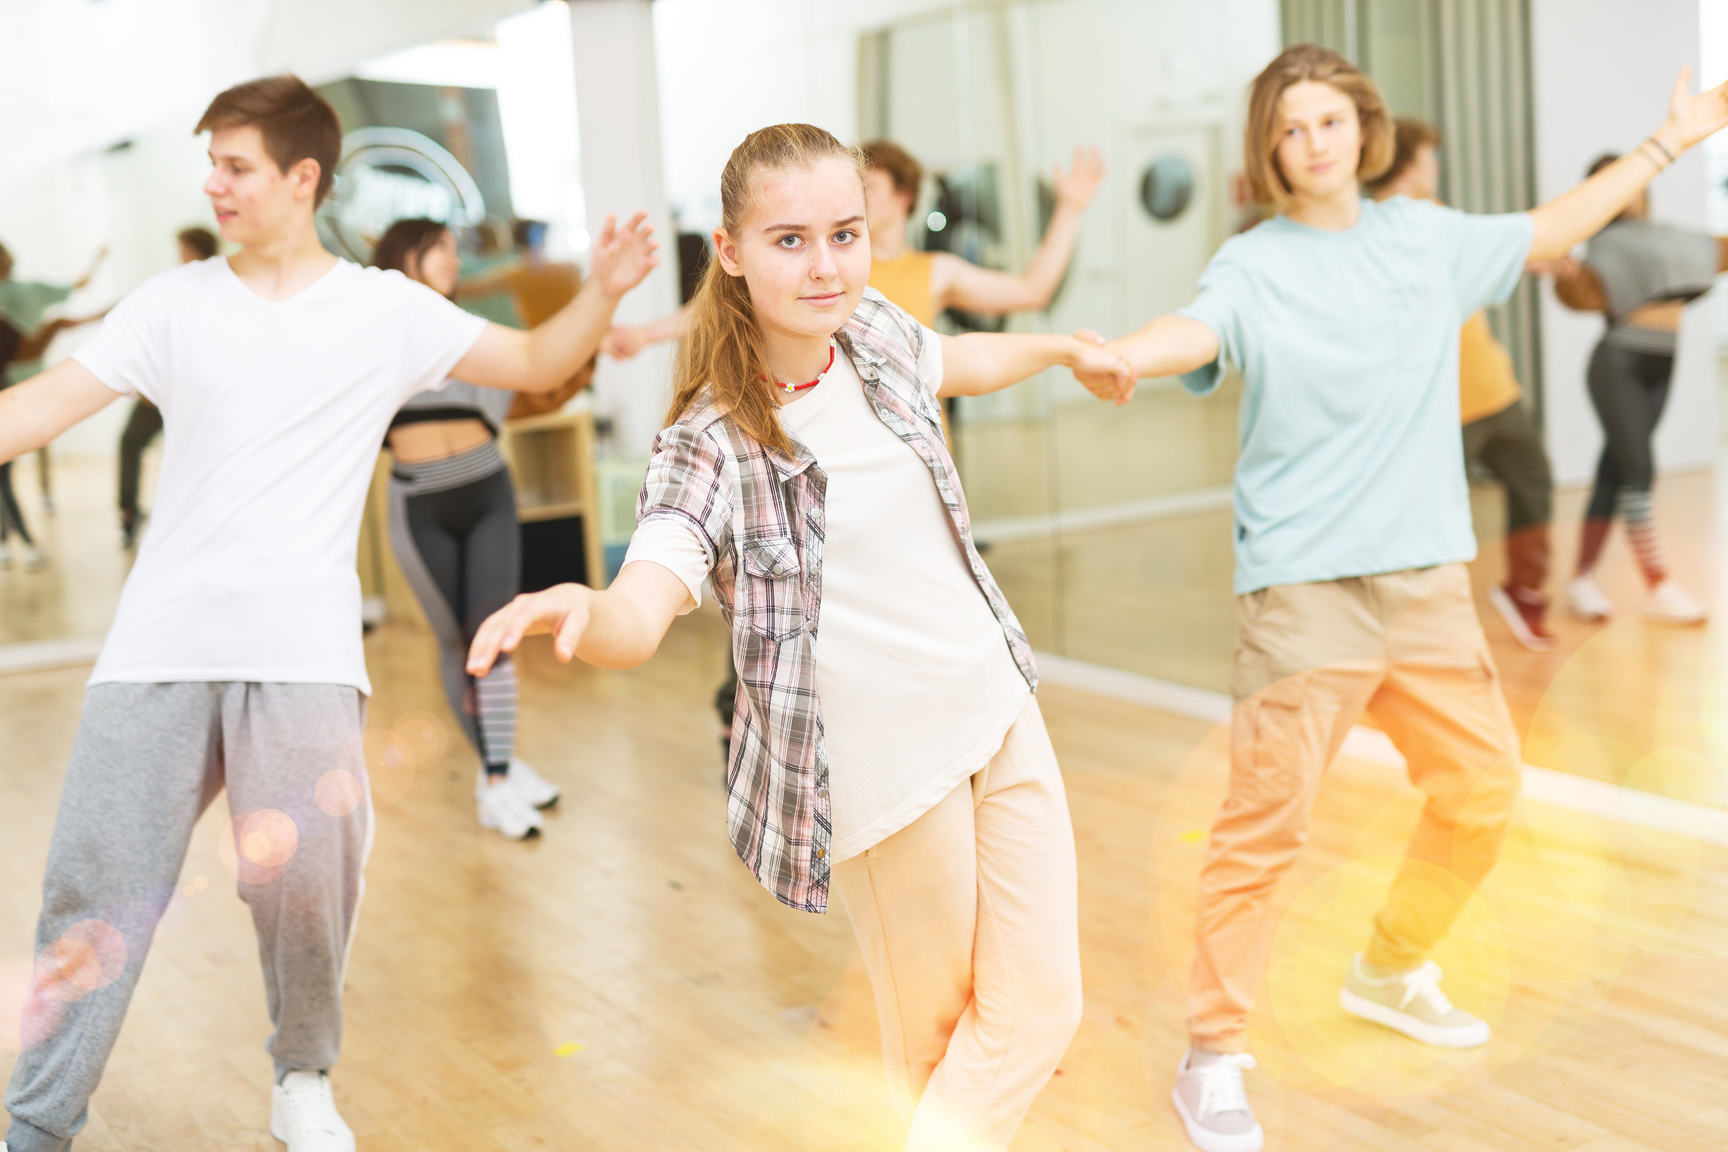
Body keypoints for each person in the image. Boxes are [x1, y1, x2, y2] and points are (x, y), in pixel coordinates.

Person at [1079, 45, 1728, 1152]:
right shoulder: (1255, 263)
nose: (1314, 142)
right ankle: (1214, 1056)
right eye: (1291, 129)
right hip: (1302, 592)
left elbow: (1554, 227)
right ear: (1271, 153)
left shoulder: (1427, 240)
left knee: (1481, 791)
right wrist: (1126, 357)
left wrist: (1674, 141)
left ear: (1364, 131)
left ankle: (1387, 966)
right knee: (1262, 830)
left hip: (1424, 585)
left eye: (1331, 120)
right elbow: (1199, 330)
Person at [0, 75, 656, 1152]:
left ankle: (301, 1075)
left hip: (301, 649)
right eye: (210, 162)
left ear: (303, 179)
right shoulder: (171, 304)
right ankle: (37, 1123)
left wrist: (605, 291)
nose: (213, 183)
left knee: (310, 882)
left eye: (235, 165)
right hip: (158, 643)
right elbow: (34, 409)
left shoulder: (382, 311)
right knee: (97, 891)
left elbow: (536, 361)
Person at [467, 123, 1133, 1152]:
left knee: (1044, 1006)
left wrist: (1060, 350)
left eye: (844, 234)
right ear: (728, 251)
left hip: (997, 705)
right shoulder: (710, 441)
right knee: (938, 1040)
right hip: (886, 768)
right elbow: (647, 598)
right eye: (789, 241)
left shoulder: (875, 333)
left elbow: (957, 358)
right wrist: (588, 611)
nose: (825, 266)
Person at [374, 217, 585, 841]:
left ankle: (495, 777)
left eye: (450, 248)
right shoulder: (372, 338)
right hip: (419, 506)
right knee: (453, 643)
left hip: (487, 490)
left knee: (494, 637)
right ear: (400, 257)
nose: (450, 259)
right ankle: (502, 766)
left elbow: (537, 366)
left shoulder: (470, 334)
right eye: (434, 248)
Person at [1366, 118, 1558, 651]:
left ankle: (1523, 591)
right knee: (1421, 519)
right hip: (1436, 408)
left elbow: (1494, 248)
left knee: (1534, 483)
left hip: (1495, 390)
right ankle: (1398, 621)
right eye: (1431, 156)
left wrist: (1534, 258)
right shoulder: (1385, 230)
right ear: (1408, 164)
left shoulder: (1439, 220)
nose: (1438, 166)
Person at [1544, 155, 1725, 626]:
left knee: (1614, 473)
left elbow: (1715, 252)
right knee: (1640, 469)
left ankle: (1581, 580)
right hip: (1617, 366)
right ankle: (1658, 585)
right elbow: (1579, 292)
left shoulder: (1670, 237)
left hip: (1660, 367)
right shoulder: (1606, 249)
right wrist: (1565, 274)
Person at [116, 226, 219, 549]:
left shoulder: (204, 287)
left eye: (182, 248)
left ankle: (136, 513)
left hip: (183, 392)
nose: (179, 255)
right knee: (131, 443)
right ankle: (129, 512)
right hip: (159, 391)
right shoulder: (176, 286)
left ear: (192, 249)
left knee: (191, 454)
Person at [0, 241, 107, 514]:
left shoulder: (30, 291)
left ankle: (41, 496)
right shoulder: (29, 293)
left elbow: (75, 290)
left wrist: (97, 260)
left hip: (24, 374)